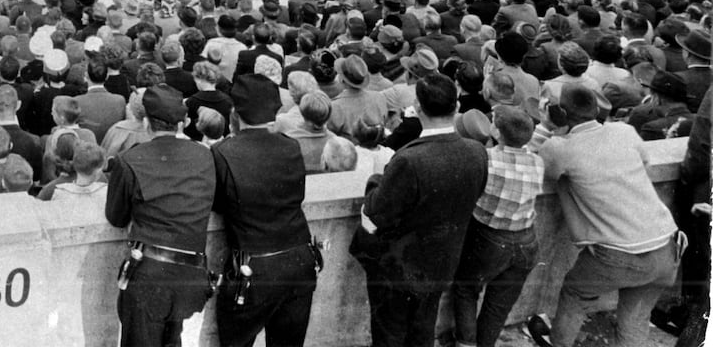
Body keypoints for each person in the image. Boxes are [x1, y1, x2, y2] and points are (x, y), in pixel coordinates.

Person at [526, 82, 682, 347]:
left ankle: (559, 343)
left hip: (619, 256)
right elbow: (644, 163)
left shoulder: (560, 148)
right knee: (634, 320)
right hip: (667, 248)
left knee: (575, 292)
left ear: (560, 114)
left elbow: (537, 167)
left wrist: (545, 125)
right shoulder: (625, 131)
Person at [352, 73, 488, 347]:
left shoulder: (409, 159)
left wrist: (376, 180)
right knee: (422, 331)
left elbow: (378, 212)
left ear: (418, 108)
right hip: (442, 262)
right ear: (457, 107)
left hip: (399, 267)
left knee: (389, 333)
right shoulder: (477, 152)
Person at [212, 74, 319, 347]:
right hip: (299, 260)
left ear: (235, 113)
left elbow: (219, 204)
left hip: (254, 267)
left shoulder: (223, 152)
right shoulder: (291, 145)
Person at [105, 84, 216, 347]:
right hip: (192, 275)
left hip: (148, 276)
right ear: (182, 124)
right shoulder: (205, 156)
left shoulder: (129, 160)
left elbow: (116, 217)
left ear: (145, 122)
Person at [451, 105, 544, 347]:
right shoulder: (536, 162)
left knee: (466, 289)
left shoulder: (486, 159)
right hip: (527, 240)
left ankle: (466, 343)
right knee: (499, 304)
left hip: (489, 238)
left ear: (497, 132)